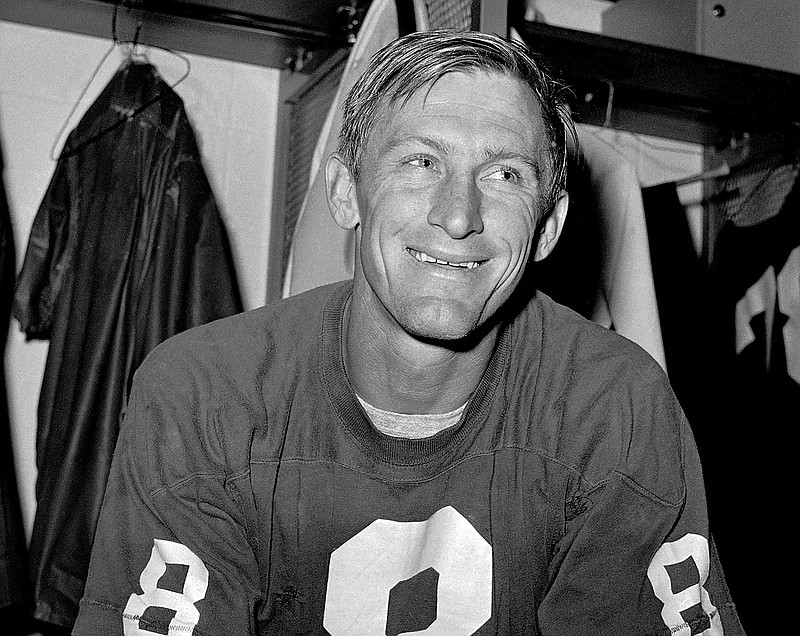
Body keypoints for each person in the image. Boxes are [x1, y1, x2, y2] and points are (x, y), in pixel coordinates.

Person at [72, 30, 741, 635]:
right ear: (344, 191)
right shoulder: (205, 394)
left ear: (548, 228)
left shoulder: (613, 403)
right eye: (421, 162)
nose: (458, 216)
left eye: (505, 174)